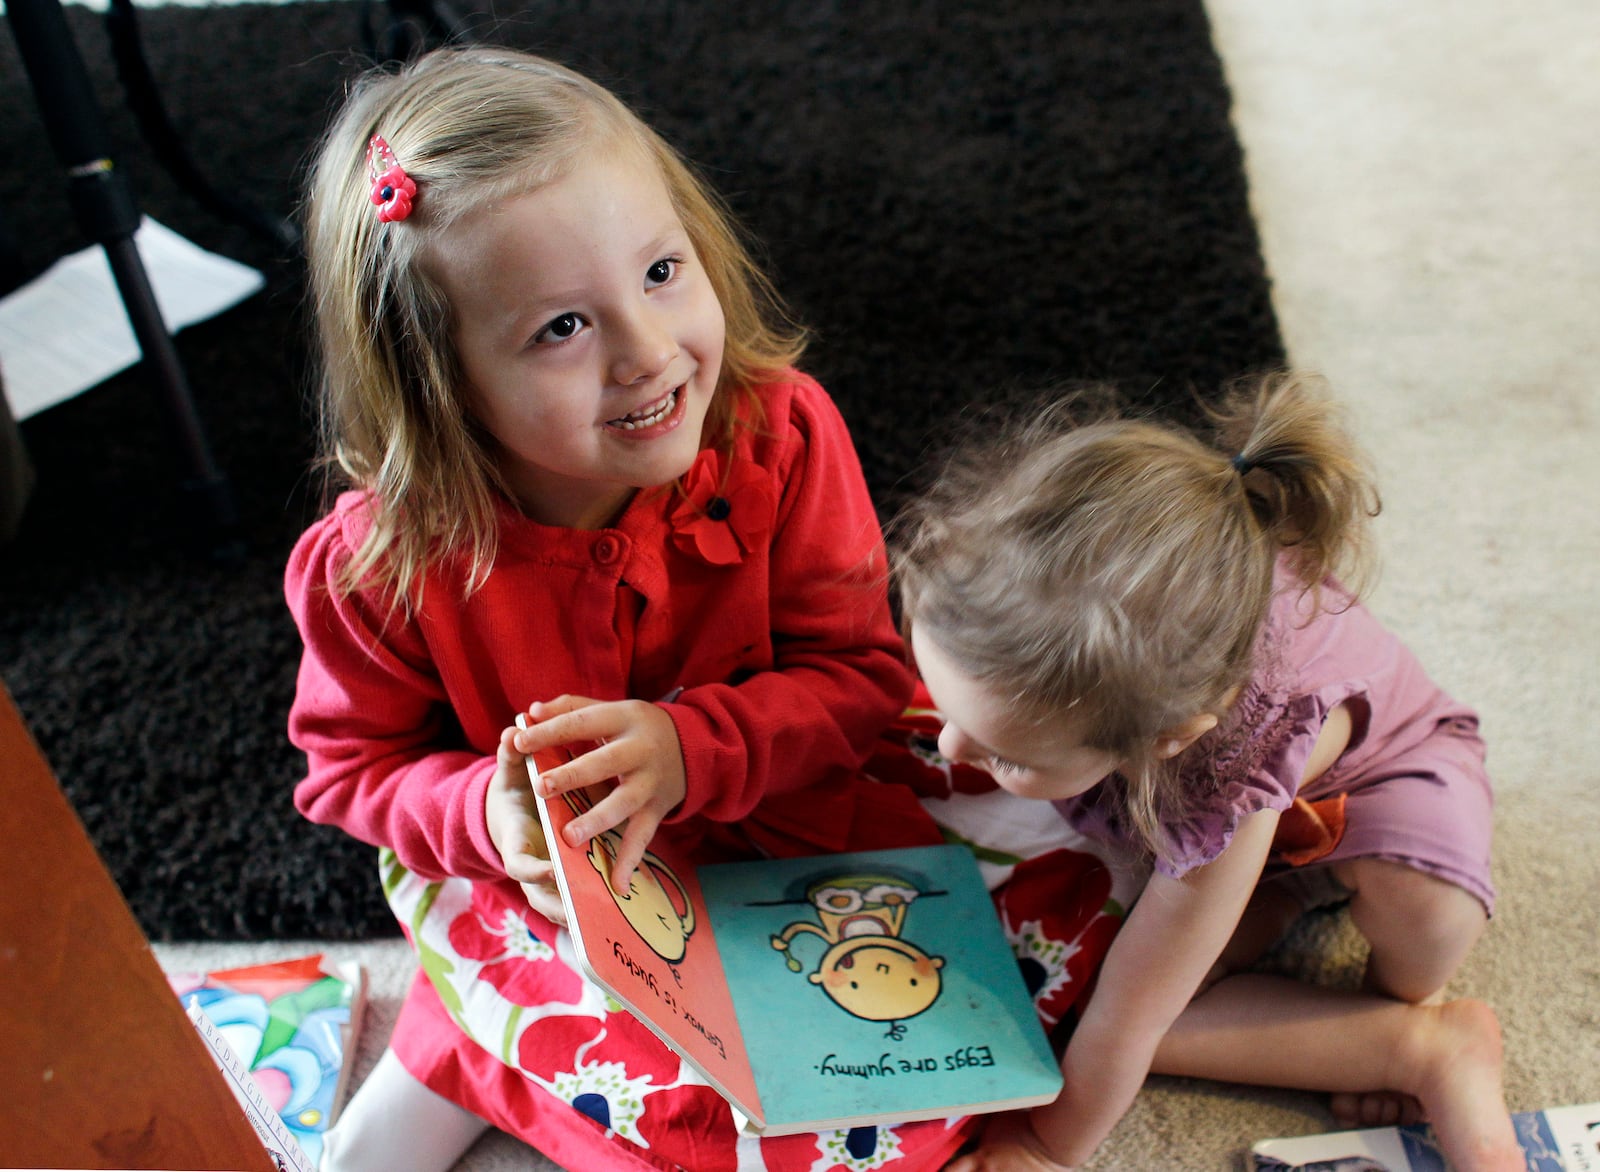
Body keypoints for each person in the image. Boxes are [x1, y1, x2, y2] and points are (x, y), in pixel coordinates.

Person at [284, 45, 989, 1172]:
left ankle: (469, 1047)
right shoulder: (377, 567)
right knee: (631, 1078)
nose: (649, 351)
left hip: (778, 817)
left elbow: (860, 679)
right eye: (562, 328)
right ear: (440, 383)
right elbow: (350, 769)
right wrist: (486, 817)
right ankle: (454, 1044)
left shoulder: (783, 435)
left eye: (662, 272)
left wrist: (690, 744)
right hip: (551, 885)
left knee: (947, 1016)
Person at [891, 372, 1524, 1172]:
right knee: (1081, 1001)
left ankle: (1418, 1029)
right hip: (1236, 818)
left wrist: (1045, 1149)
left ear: (1163, 742)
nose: (949, 750)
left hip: (1391, 785)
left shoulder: (1221, 776)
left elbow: (1131, 1020)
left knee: (1421, 912)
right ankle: (1376, 1019)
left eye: (1004, 751)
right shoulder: (1099, 633)